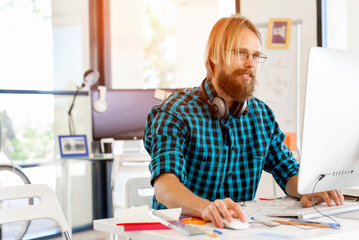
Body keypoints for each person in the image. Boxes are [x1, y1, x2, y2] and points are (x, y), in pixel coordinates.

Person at [143, 15, 344, 228]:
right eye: (240, 53)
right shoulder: (175, 112)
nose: (250, 64)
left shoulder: (262, 115)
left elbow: (289, 172)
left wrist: (310, 187)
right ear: (214, 56)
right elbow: (164, 185)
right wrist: (206, 208)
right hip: (179, 231)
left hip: (236, 231)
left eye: (256, 56)